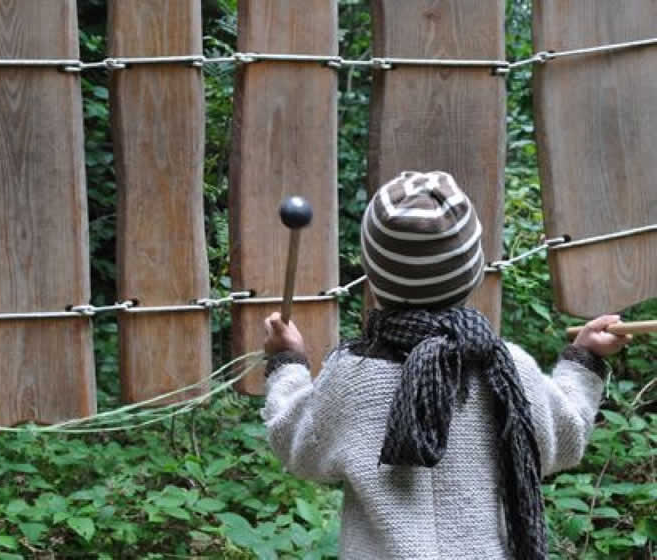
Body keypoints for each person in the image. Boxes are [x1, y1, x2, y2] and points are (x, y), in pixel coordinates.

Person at [261, 171, 631, 560]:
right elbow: (565, 438)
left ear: (373, 276)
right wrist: (584, 359)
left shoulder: (351, 378)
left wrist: (287, 363)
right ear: (473, 273)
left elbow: (298, 448)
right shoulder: (506, 370)